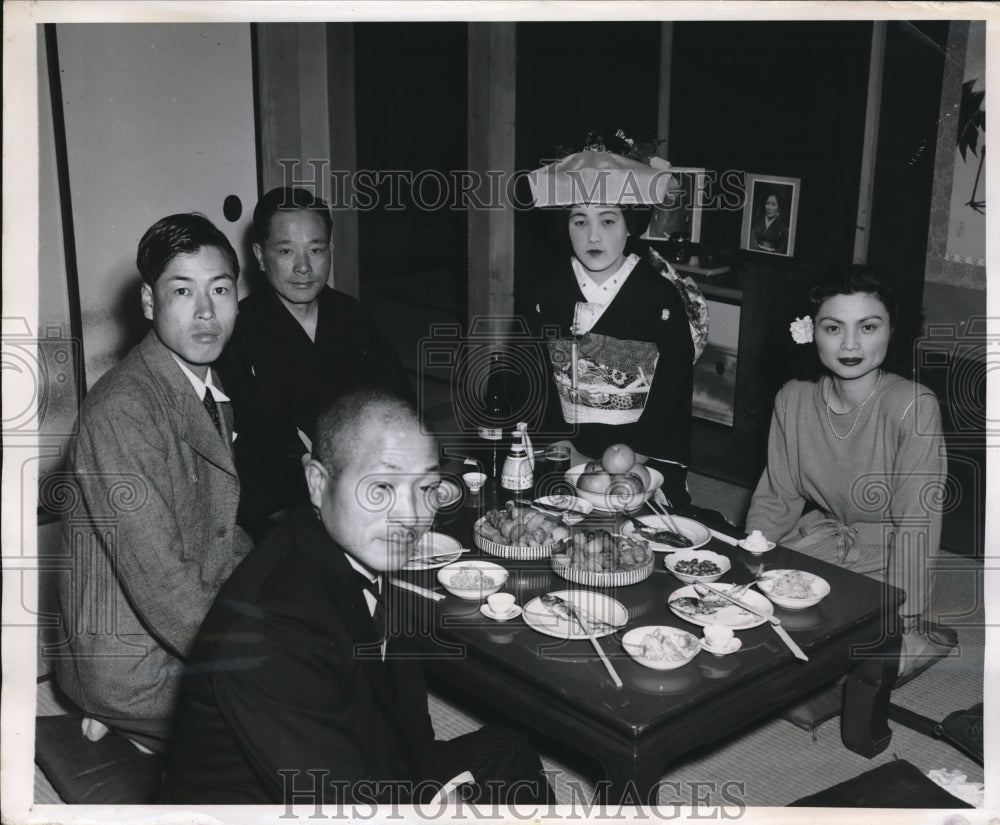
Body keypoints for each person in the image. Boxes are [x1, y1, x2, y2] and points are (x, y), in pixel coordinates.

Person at [160, 387, 553, 806]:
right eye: (381, 486)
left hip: (361, 760)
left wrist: (433, 789)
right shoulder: (269, 630)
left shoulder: (363, 551)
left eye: (426, 488)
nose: (410, 516)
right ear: (318, 483)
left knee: (508, 752)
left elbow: (408, 728)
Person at [54, 213, 253, 754]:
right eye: (182, 291)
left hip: (173, 626)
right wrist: (260, 652)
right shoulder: (123, 410)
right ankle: (123, 720)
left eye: (221, 289)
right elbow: (166, 587)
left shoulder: (202, 383)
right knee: (304, 714)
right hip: (133, 664)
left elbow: (218, 528)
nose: (206, 311)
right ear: (148, 303)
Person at [745, 265, 956, 682]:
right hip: (820, 541)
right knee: (752, 634)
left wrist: (905, 614)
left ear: (891, 330)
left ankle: (921, 637)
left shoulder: (913, 405)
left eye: (868, 326)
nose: (851, 344)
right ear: (810, 333)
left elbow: (918, 521)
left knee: (844, 665)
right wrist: (750, 559)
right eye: (833, 327)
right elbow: (778, 496)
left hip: (887, 557)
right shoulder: (793, 397)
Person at [217, 187, 412, 539]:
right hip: (285, 513)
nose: (303, 267)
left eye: (316, 249)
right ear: (260, 256)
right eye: (286, 250)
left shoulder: (353, 317)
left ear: (330, 251)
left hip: (368, 494)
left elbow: (398, 403)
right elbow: (243, 453)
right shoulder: (238, 333)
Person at [524, 145, 709, 512]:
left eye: (608, 221)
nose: (593, 237)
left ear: (631, 227)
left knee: (644, 521)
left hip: (640, 449)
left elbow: (672, 390)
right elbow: (535, 377)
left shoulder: (659, 296)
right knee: (533, 515)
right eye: (579, 221)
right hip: (565, 442)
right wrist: (562, 447)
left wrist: (635, 457)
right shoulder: (546, 292)